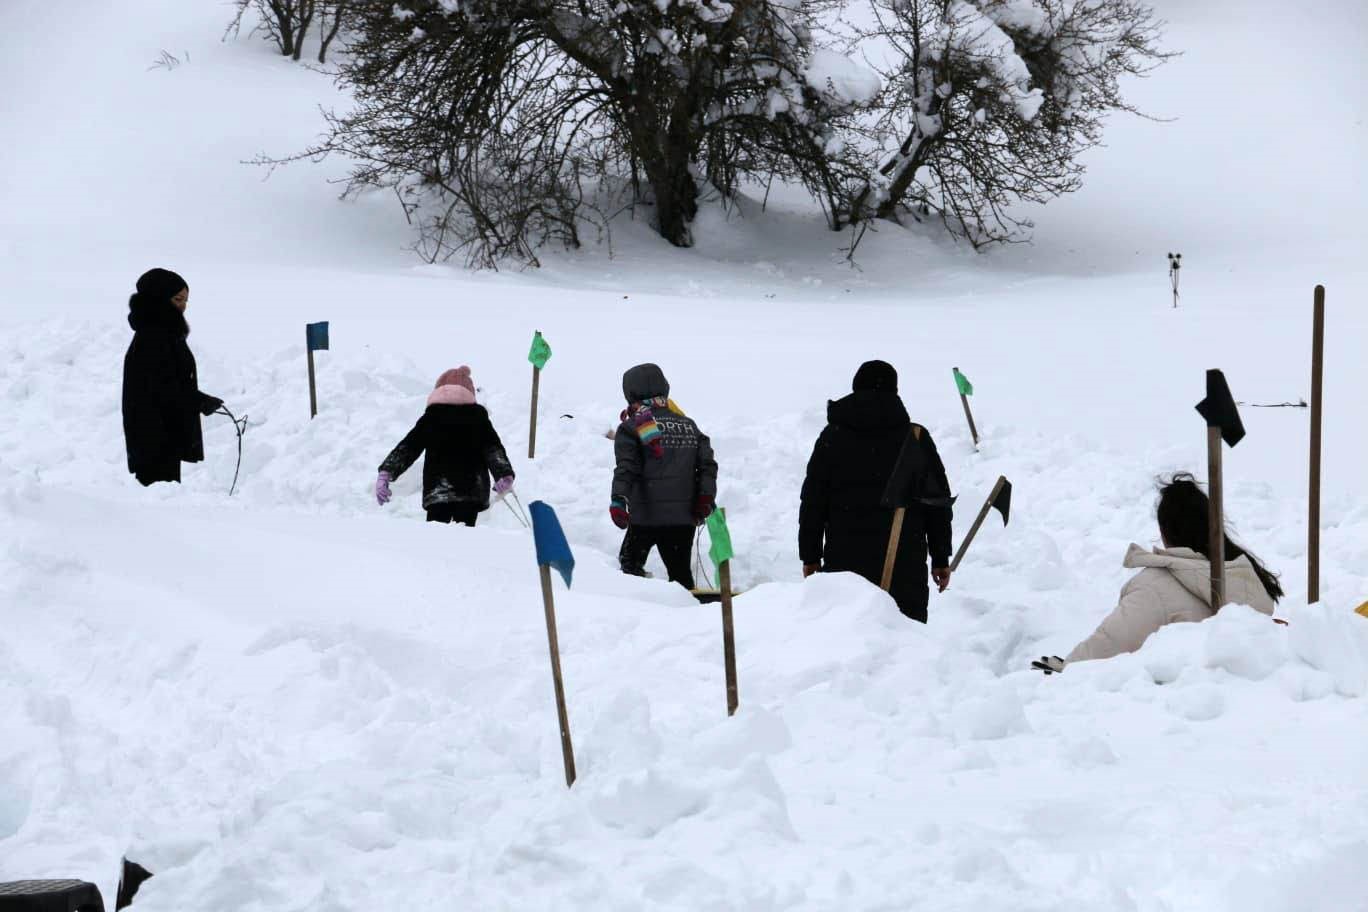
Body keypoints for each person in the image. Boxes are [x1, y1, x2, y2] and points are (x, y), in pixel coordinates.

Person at [1034, 473, 1283, 672]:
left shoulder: (1154, 586)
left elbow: (1112, 642)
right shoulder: (1244, 577)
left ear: (1165, 531)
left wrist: (1067, 668)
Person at [799, 360, 954, 623]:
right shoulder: (915, 438)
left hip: (844, 563)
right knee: (905, 647)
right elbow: (936, 504)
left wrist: (810, 556)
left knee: (845, 639)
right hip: (902, 565)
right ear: (895, 392)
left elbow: (813, 501)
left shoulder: (832, 437)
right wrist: (940, 557)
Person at [611, 363, 718, 590]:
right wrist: (705, 499)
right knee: (681, 580)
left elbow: (626, 468)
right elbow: (707, 466)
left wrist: (619, 499)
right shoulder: (689, 426)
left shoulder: (631, 428)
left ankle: (643, 616)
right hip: (681, 519)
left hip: (644, 519)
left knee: (629, 573)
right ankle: (690, 619)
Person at [122, 268, 225, 486]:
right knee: (158, 499)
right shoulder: (154, 336)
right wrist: (200, 401)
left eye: (186, 300)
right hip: (154, 435)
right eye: (178, 299)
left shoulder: (162, 332)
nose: (183, 306)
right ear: (159, 298)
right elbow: (162, 387)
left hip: (162, 434)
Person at [375, 366, 515, 525]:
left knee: (436, 544)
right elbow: (492, 448)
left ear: (439, 389)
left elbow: (409, 447)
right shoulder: (477, 417)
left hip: (437, 491)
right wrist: (503, 473)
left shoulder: (431, 417)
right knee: (463, 541)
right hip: (471, 491)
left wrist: (387, 471)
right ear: (469, 392)